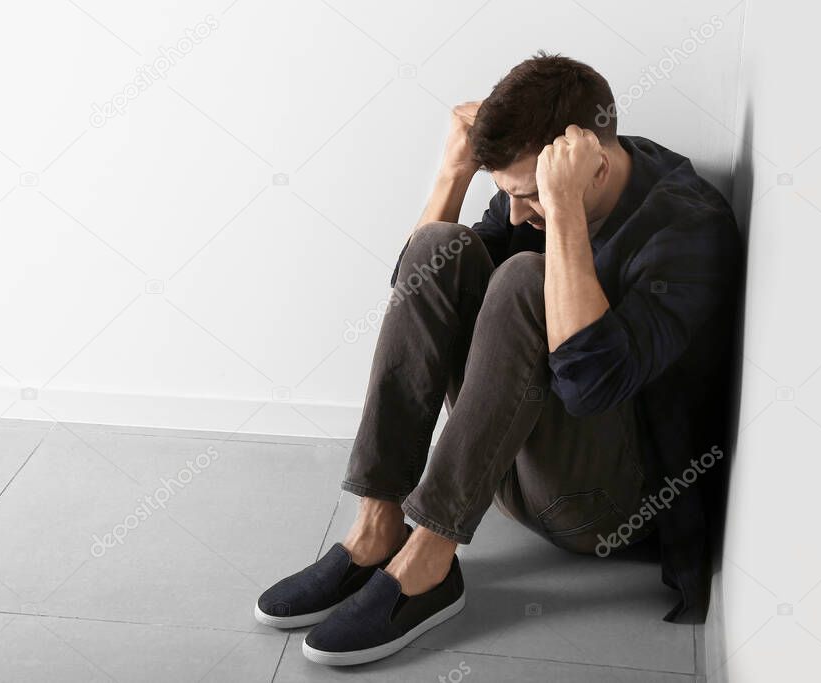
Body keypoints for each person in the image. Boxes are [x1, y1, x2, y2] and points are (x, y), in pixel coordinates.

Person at [255, 51, 741, 667]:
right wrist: (453, 176)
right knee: (441, 246)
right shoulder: (532, 194)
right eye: (506, 195)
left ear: (586, 167)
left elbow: (592, 385)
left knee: (525, 277)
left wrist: (561, 214)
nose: (517, 213)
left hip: (604, 506)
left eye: (530, 195)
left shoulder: (688, 227)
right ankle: (378, 529)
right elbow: (420, 290)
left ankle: (429, 562)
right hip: (502, 468)